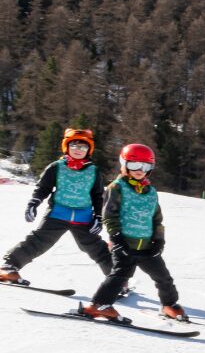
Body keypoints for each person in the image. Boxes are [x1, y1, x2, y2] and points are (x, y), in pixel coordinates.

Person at [81, 143, 188, 322]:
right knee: (119, 276)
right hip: (124, 244)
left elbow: (156, 219)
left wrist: (158, 240)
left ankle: (169, 305)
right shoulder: (116, 188)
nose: (139, 170)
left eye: (145, 166)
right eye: (134, 165)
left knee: (163, 277)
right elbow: (109, 215)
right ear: (124, 165)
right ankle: (99, 305)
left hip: (146, 247)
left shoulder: (151, 192)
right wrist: (116, 238)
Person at [1, 128, 114, 286]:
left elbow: (98, 196)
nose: (78, 150)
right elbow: (43, 188)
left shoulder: (93, 172)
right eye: (74, 145)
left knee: (97, 248)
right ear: (66, 147)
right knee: (38, 241)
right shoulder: (56, 167)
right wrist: (34, 202)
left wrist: (99, 216)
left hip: (84, 217)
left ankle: (116, 281)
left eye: (83, 147)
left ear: (89, 150)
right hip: (58, 213)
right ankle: (8, 266)